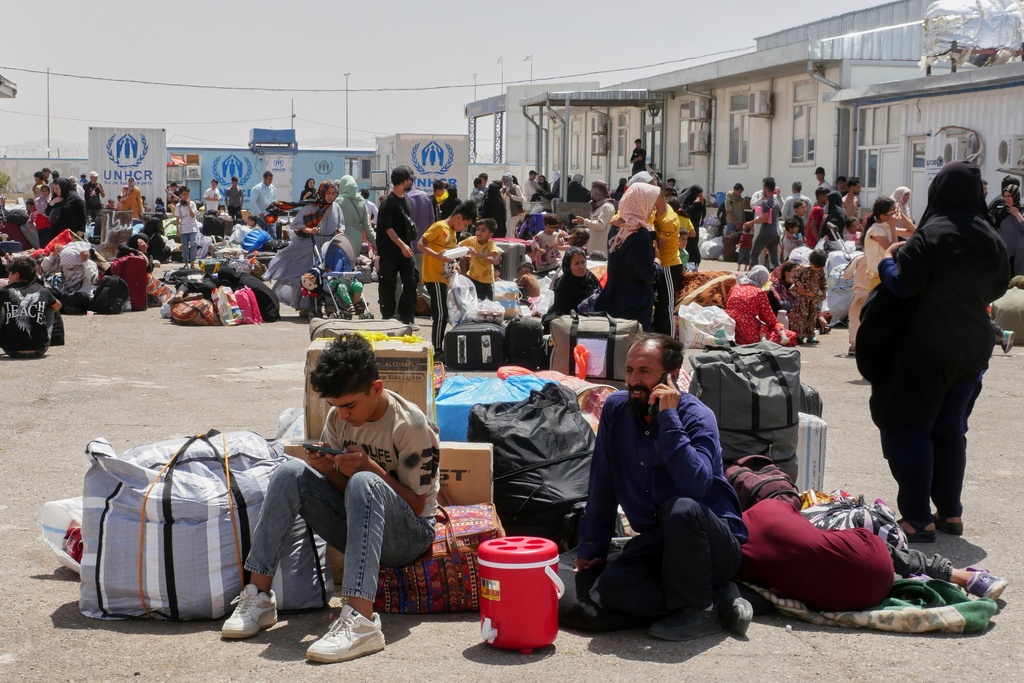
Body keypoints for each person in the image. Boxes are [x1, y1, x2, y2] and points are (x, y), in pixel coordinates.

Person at [220, 334, 439, 663]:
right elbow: (343, 490)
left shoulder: (411, 426)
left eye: (350, 405)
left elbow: (417, 506)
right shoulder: (338, 419)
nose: (343, 415)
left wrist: (368, 467)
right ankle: (259, 596)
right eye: (337, 407)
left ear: (376, 389)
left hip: (409, 536)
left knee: (364, 481)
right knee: (289, 472)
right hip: (360, 523)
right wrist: (328, 469)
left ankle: (361, 621)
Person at [859, 162, 1009, 542]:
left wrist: (891, 258)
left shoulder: (932, 234)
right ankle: (950, 514)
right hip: (973, 347)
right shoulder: (991, 237)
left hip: (927, 346)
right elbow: (997, 288)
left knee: (912, 428)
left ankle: (917, 518)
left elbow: (903, 285)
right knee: (951, 429)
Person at [575, 334, 751, 641]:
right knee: (611, 589)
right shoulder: (616, 410)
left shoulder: (697, 417)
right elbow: (602, 480)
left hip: (711, 543)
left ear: (670, 376)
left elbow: (696, 485)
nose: (633, 380)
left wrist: (669, 419)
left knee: (680, 508)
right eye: (629, 370)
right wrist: (593, 546)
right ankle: (714, 598)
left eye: (644, 372)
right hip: (661, 542)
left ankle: (701, 611)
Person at [265, 182, 352, 314]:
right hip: (310, 245)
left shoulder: (337, 208)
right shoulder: (312, 207)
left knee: (329, 274)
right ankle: (306, 306)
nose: (330, 196)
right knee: (308, 275)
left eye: (333, 193)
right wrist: (310, 230)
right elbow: (297, 225)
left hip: (329, 246)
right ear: (322, 193)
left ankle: (329, 305)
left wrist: (340, 231)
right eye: (328, 193)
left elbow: (341, 224)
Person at [594, 182, 663, 331]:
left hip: (615, 298)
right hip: (635, 304)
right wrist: (658, 262)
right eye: (651, 202)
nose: (653, 208)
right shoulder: (639, 234)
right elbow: (648, 274)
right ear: (641, 203)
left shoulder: (617, 227)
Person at [417, 201, 478, 356]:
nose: (464, 228)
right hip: (434, 277)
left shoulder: (452, 232)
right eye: (465, 225)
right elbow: (420, 244)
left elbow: (449, 252)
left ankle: (439, 347)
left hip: (445, 278)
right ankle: (436, 349)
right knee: (441, 314)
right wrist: (436, 256)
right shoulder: (439, 226)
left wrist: (456, 260)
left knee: (446, 313)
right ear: (458, 217)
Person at [376, 166, 419, 325]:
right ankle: (388, 317)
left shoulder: (406, 199)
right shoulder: (388, 203)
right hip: (390, 251)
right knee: (388, 284)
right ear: (403, 182)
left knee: (411, 281)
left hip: (406, 249)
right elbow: (387, 228)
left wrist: (406, 246)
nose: (410, 183)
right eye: (409, 180)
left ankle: (406, 317)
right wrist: (401, 246)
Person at [0, 256, 61, 358]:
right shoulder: (43, 290)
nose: (8, 276)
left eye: (10, 273)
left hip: (10, 349)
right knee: (50, 306)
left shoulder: (4, 291)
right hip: (39, 349)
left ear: (16, 275)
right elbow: (58, 306)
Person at [725, 266, 792, 345]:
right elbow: (769, 317)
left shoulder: (735, 287)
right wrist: (777, 325)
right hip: (746, 328)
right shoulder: (759, 292)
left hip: (728, 324)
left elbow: (727, 304)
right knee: (790, 335)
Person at [543, 247, 601, 330]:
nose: (581, 266)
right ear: (568, 265)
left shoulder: (590, 278)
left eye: (583, 262)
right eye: (576, 263)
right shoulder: (563, 284)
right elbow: (565, 311)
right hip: (567, 321)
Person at [652, 197, 683, 337]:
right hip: (658, 264)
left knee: (667, 307)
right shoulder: (653, 211)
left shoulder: (668, 219)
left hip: (668, 266)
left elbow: (658, 247)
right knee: (657, 307)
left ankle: (669, 343)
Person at [789, 250, 828, 344]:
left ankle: (811, 336)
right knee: (801, 317)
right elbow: (794, 278)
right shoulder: (803, 269)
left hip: (813, 299)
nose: (816, 269)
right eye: (815, 266)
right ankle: (800, 335)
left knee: (812, 317)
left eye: (819, 267)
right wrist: (800, 285)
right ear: (810, 262)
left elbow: (823, 282)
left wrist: (823, 292)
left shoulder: (821, 271)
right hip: (803, 298)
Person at [459, 218, 501, 301]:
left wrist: (476, 254)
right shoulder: (472, 240)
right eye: (477, 229)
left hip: (487, 281)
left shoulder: (491, 245)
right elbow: (458, 245)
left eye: (483, 230)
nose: (479, 232)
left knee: (488, 304)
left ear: (490, 235)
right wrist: (464, 250)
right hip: (473, 278)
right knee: (474, 301)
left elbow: (492, 260)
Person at [745, 178, 781, 270]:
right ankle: (779, 276)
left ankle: (757, 273)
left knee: (754, 254)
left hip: (765, 232)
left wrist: (751, 223)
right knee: (774, 259)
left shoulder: (765, 202)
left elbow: (764, 219)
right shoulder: (776, 202)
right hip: (774, 233)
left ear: (765, 188)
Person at [573, 181, 615, 257]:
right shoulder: (597, 206)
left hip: (602, 248)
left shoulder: (607, 206)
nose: (591, 193)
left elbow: (600, 225)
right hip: (593, 246)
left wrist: (584, 221)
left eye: (593, 190)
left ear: (598, 192)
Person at [336, 175, 376, 253]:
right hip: (357, 240)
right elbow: (367, 227)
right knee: (352, 262)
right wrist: (375, 243)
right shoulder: (361, 202)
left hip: (342, 238)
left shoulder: (338, 201)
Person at [993, 183, 1023, 275]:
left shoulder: (1022, 211)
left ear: (1015, 195)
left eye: (1009, 196)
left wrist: (1017, 214)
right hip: (1005, 256)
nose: (1007, 199)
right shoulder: (999, 213)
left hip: (1021, 257)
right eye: (1005, 196)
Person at [678, 185, 706, 269]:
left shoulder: (699, 204)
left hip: (694, 230)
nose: (700, 197)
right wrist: (694, 204)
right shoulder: (688, 203)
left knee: (692, 256)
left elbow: (702, 215)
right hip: (687, 233)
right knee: (695, 255)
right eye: (698, 195)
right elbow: (686, 213)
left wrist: (702, 205)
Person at [174, 187, 201, 267]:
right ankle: (186, 262)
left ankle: (192, 262)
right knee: (184, 246)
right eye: (184, 194)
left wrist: (189, 206)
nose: (186, 196)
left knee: (193, 244)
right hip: (183, 229)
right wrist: (177, 229)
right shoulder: (178, 206)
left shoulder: (192, 204)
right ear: (180, 195)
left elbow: (193, 215)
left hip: (192, 227)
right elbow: (177, 218)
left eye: (187, 194)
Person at [251, 171, 278, 237]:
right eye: (269, 179)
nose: (271, 181)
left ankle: (273, 246)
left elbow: (274, 199)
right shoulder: (257, 188)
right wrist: (259, 212)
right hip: (260, 216)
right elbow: (253, 201)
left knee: (272, 233)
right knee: (261, 234)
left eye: (271, 179)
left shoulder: (273, 188)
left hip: (270, 215)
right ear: (264, 178)